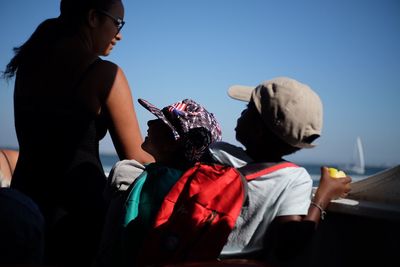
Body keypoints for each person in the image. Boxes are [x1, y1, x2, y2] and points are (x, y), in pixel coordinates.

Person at [2, 0, 153, 265]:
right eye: (117, 23)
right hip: (76, 215)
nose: (119, 34)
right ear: (93, 17)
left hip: (24, 202)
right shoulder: (105, 74)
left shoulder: (28, 65)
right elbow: (137, 158)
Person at [206, 76, 352, 265]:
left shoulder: (216, 153)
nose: (240, 114)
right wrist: (323, 196)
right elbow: (288, 247)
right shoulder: (293, 178)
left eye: (247, 109)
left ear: (258, 130)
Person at [94, 98, 222, 267]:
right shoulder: (191, 188)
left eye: (160, 121)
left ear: (173, 144)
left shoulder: (133, 176)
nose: (149, 122)